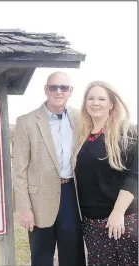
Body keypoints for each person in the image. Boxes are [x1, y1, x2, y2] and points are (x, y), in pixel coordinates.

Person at [13, 71, 86, 266]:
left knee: (73, 255)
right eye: (54, 87)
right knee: (41, 256)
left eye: (64, 88)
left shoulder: (80, 119)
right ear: (46, 90)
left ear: (71, 91)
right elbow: (19, 171)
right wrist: (24, 208)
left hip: (71, 195)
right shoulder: (26, 122)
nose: (59, 91)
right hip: (39, 199)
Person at [73, 81, 138, 266]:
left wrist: (118, 213)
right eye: (91, 98)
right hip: (92, 223)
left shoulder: (127, 132)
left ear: (112, 104)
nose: (95, 103)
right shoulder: (81, 136)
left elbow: (133, 175)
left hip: (122, 220)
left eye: (102, 99)